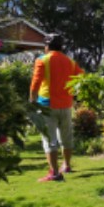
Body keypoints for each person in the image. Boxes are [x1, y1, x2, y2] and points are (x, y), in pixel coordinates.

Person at [30, 33, 84, 182]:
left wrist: (32, 101)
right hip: (66, 104)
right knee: (66, 137)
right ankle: (66, 165)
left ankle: (54, 173)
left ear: (47, 46)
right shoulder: (70, 62)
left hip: (47, 104)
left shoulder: (42, 60)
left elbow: (35, 83)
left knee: (49, 139)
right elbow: (82, 78)